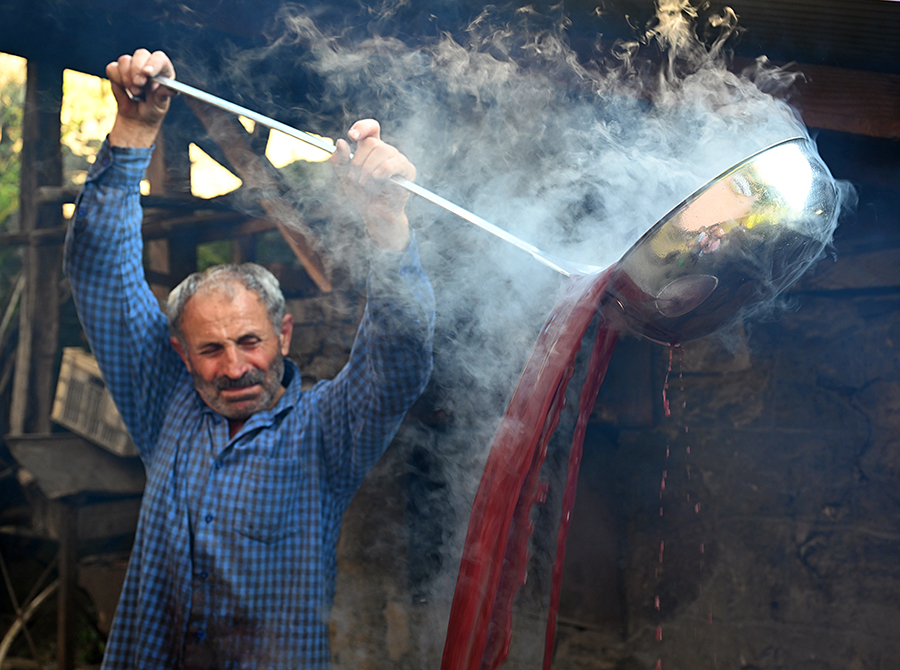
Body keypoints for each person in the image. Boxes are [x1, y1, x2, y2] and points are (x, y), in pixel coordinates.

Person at [64, 49, 435, 669]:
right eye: (210, 349)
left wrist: (385, 224)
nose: (234, 367)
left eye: (250, 342)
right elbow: (101, 272)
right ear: (180, 354)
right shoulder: (167, 404)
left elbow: (398, 356)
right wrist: (133, 131)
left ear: (284, 336)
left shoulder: (325, 431)